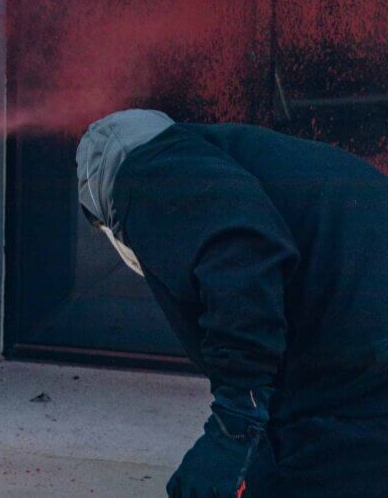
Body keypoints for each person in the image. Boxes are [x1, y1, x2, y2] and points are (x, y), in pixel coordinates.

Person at [76, 109, 388, 498]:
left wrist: (235, 421)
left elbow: (242, 255)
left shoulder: (147, 171)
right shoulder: (235, 156)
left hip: (354, 374)